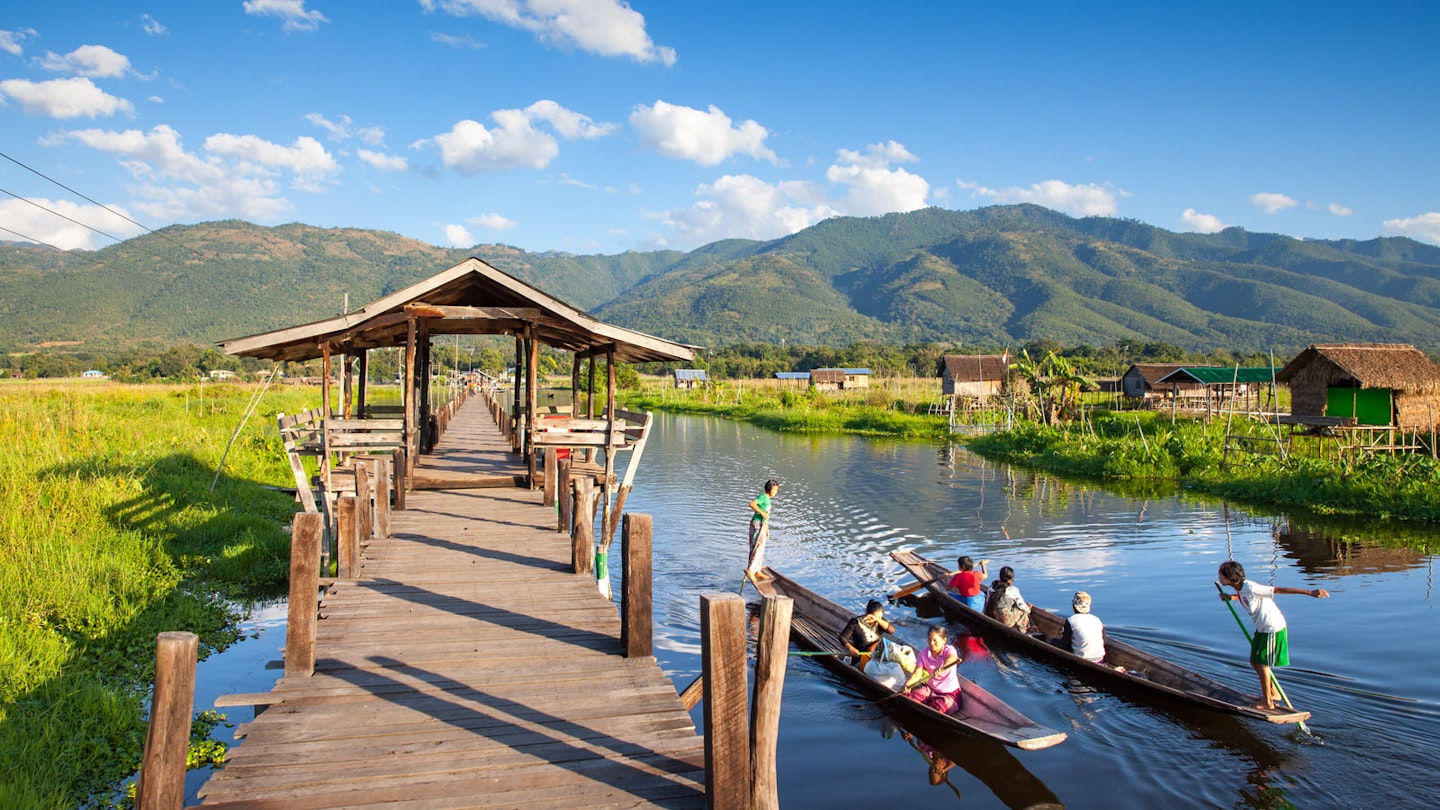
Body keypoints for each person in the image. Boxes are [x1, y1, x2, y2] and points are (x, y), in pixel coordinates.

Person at [1218, 560, 1329, 711]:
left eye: (1221, 575)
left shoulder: (1251, 587)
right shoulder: (1240, 588)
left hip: (1272, 628)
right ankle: (1274, 693)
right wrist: (1230, 598)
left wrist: (1310, 592)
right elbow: (1244, 596)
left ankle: (1267, 702)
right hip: (1262, 628)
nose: (1219, 577)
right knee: (1254, 661)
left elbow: (1279, 590)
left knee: (1262, 663)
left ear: (1230, 577)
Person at [905, 625, 962, 714]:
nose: (931, 643)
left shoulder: (949, 650)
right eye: (929, 640)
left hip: (949, 693)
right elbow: (917, 675)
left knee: (936, 709)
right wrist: (907, 686)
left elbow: (952, 658)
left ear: (944, 640)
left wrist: (941, 668)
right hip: (930, 689)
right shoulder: (923, 654)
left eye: (935, 640)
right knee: (911, 699)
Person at [838, 599, 895, 672]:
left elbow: (891, 631)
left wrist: (877, 620)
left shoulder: (880, 622)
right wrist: (850, 648)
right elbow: (843, 637)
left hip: (876, 655)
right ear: (867, 613)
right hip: (860, 657)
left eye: (880, 617)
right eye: (873, 617)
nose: (874, 620)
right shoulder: (855, 623)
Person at [1059, 591, 1107, 663]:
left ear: (1074, 607)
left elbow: (1065, 643)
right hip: (1100, 658)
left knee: (1054, 641)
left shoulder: (1070, 620)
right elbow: (1104, 641)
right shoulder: (1097, 620)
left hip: (1082, 659)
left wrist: (1062, 636)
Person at [745, 480, 779, 580]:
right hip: (757, 524)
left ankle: (757, 571)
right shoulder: (763, 496)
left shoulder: (768, 499)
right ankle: (750, 570)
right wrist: (761, 513)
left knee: (761, 548)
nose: (776, 492)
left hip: (762, 525)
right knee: (757, 547)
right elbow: (752, 504)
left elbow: (766, 517)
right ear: (769, 489)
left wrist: (767, 530)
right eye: (775, 490)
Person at [984, 566, 1032, 632]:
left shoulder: (991, 587)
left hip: (992, 616)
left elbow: (987, 602)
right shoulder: (1013, 590)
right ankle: (1022, 630)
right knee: (1023, 612)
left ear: (1000, 577)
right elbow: (1022, 605)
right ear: (1011, 579)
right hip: (1005, 621)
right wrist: (1028, 609)